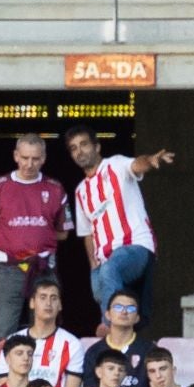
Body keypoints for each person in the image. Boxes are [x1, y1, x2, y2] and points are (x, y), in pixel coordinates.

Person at [63, 127, 171, 327]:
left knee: (110, 271)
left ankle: (109, 327)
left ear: (97, 146)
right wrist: (94, 267)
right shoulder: (80, 191)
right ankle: (121, 333)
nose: (79, 151)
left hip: (136, 246)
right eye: (74, 148)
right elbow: (87, 233)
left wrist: (150, 160)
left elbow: (137, 165)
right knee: (98, 289)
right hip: (104, 259)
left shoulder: (116, 164)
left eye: (84, 144)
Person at [0, 136, 73, 340]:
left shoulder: (55, 188)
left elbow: (63, 232)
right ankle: (2, 373)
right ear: (15, 156)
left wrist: (36, 241)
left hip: (44, 267)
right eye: (25, 158)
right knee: (4, 331)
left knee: (46, 329)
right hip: (8, 268)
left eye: (35, 158)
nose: (29, 164)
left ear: (44, 158)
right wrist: (11, 242)